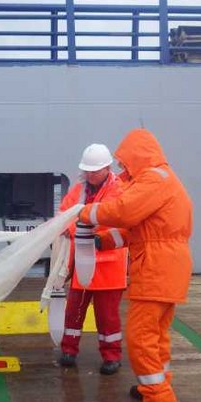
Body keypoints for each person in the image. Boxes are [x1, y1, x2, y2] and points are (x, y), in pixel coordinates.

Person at [77, 129, 192, 402]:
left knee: (140, 338)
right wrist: (105, 241)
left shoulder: (154, 179)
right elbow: (139, 230)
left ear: (138, 157)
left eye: (125, 162)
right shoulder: (162, 180)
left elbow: (125, 212)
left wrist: (86, 212)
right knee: (156, 335)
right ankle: (154, 386)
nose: (122, 169)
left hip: (157, 268)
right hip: (168, 266)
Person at [57, 143, 129, 375]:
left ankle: (112, 355)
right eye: (86, 170)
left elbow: (112, 218)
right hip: (83, 262)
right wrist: (71, 227)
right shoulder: (79, 189)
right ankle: (68, 350)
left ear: (107, 168)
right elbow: (64, 213)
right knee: (73, 310)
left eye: (94, 170)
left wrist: (79, 226)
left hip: (109, 265)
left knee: (107, 316)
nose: (89, 174)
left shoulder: (120, 189)